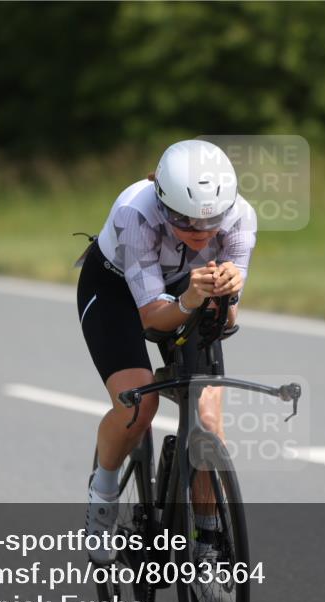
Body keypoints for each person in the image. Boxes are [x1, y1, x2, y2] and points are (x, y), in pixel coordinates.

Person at [75, 140, 257, 577]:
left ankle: (209, 542)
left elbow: (227, 318)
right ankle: (103, 492)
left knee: (208, 418)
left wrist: (228, 293)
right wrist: (192, 297)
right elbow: (154, 320)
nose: (199, 231)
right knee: (139, 401)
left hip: (186, 289)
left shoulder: (240, 219)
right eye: (185, 220)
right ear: (162, 203)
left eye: (211, 221)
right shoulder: (136, 213)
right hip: (117, 291)